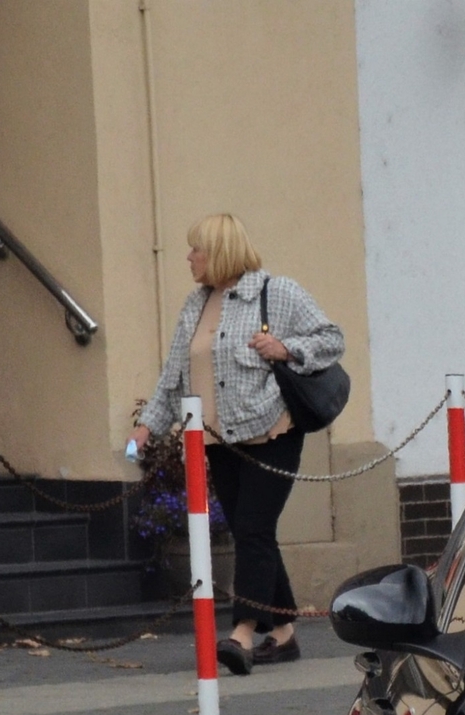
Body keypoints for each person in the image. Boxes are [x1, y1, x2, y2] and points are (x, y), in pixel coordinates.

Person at [131, 213, 343, 673]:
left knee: (251, 527)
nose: (188, 257)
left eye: (196, 250)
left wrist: (286, 349)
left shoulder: (277, 292)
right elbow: (174, 376)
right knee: (254, 531)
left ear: (220, 251)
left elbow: (331, 339)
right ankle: (284, 636)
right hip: (218, 440)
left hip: (272, 432)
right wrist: (148, 424)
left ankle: (242, 633)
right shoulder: (196, 304)